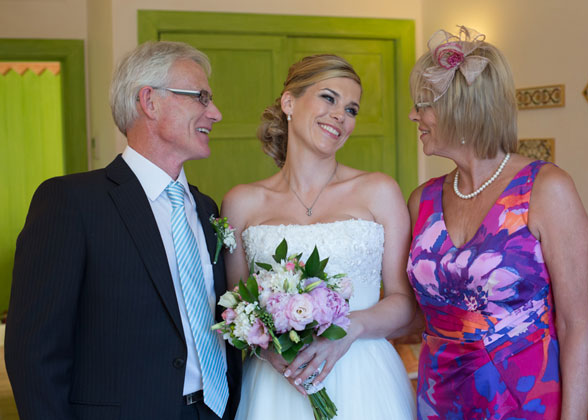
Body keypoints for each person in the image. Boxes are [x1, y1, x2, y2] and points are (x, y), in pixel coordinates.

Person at [5, 41, 241, 420]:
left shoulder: (207, 208)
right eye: (200, 97)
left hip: (216, 411)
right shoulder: (71, 203)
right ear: (149, 101)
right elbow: (33, 352)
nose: (215, 112)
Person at [406, 26, 588, 419]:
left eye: (423, 104)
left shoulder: (546, 189)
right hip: (438, 398)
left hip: (521, 399)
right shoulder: (420, 200)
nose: (413, 116)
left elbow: (575, 324)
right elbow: (409, 311)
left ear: (461, 107)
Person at [221, 54, 417, 420]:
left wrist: (347, 330)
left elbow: (404, 303)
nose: (341, 115)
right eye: (329, 98)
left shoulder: (378, 191)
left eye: (352, 109)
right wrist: (269, 347)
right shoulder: (241, 203)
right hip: (277, 385)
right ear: (289, 102)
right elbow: (239, 311)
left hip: (364, 376)